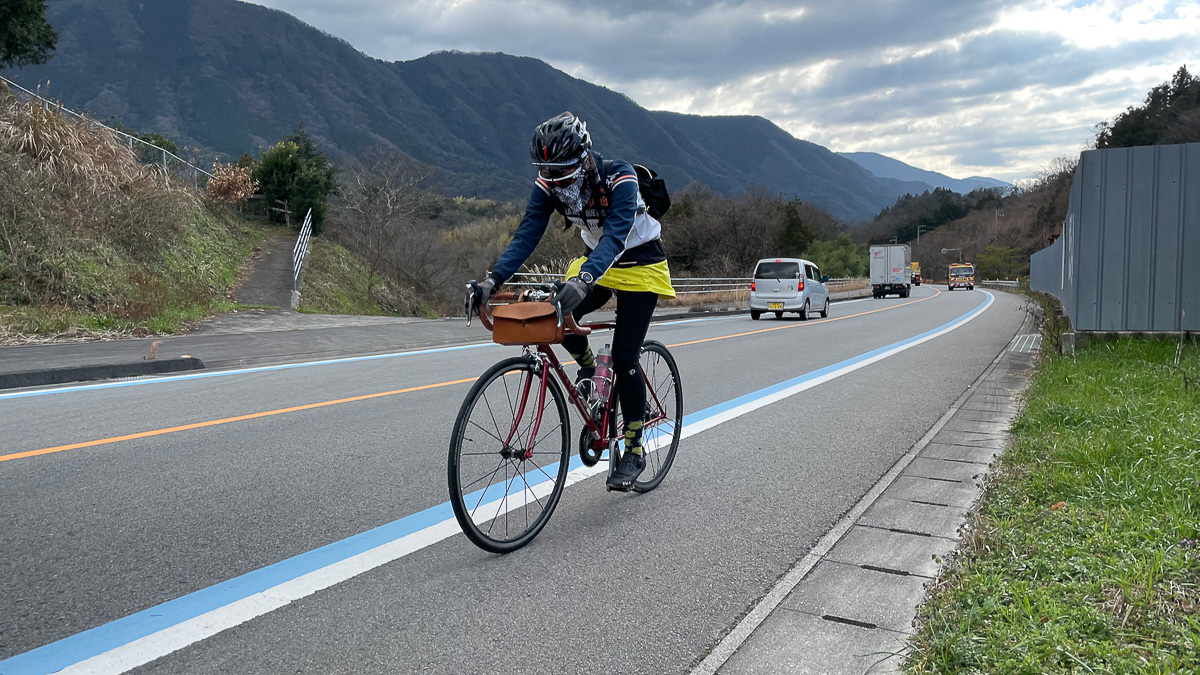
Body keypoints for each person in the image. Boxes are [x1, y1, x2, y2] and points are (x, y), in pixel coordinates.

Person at [471, 111, 675, 491]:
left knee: (626, 355)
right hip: (595, 262)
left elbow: (615, 237)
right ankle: (587, 369)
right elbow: (527, 233)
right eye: (547, 173)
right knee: (555, 316)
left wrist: (583, 279)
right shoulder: (548, 181)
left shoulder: (620, 177)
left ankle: (633, 448)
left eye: (562, 172)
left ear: (584, 158)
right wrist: (492, 279)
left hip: (640, 263)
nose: (554, 181)